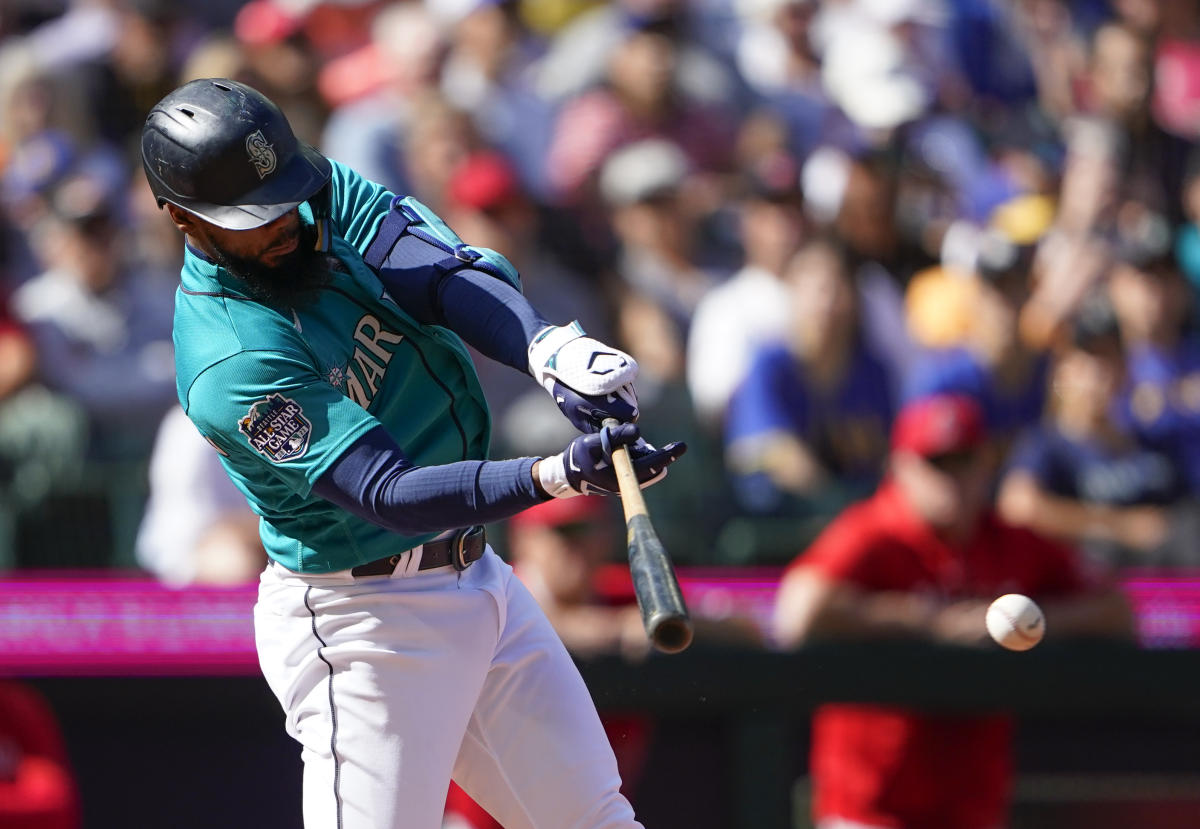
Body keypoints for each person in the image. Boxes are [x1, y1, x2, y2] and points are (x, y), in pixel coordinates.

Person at [140, 78, 686, 829]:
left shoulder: (309, 191)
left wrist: (547, 346)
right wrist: (558, 474)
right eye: (252, 217)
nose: (283, 222)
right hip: (362, 621)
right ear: (181, 218)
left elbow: (435, 272)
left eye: (283, 195)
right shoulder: (229, 357)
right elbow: (387, 493)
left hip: (477, 578)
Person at [773, 393, 1133, 829]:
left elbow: (1118, 612)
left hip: (972, 807)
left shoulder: (1009, 540)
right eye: (936, 464)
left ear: (986, 464)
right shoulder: (875, 530)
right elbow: (797, 611)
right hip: (869, 807)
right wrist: (928, 623)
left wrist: (1039, 623)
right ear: (901, 467)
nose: (952, 479)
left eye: (963, 461)